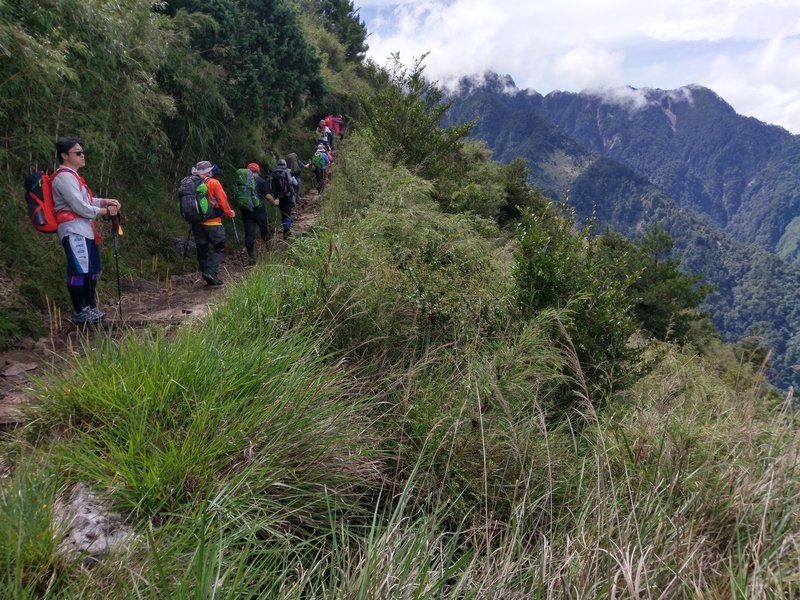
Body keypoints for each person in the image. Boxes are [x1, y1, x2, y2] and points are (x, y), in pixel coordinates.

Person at [51, 136, 121, 323]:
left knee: (91, 269)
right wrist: (106, 211)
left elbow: (85, 202)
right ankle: (80, 311)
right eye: (78, 153)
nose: (83, 156)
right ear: (65, 155)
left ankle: (90, 307)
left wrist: (104, 201)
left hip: (85, 229)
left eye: (83, 152)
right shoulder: (64, 177)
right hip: (73, 230)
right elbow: (78, 206)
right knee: (78, 270)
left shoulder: (73, 176)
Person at [190, 160, 235, 285]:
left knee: (202, 249)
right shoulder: (214, 182)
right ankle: (211, 272)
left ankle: (207, 274)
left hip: (196, 223)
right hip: (213, 222)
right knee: (220, 247)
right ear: (208, 172)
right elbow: (222, 200)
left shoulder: (191, 183)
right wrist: (229, 213)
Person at [236, 162, 278, 264]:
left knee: (249, 234)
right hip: (259, 210)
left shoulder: (242, 182)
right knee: (264, 230)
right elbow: (267, 196)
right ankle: (270, 252)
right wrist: (274, 202)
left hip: (246, 211)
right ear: (258, 170)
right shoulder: (261, 181)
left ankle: (251, 258)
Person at [269, 159, 298, 239]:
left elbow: (270, 187)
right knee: (287, 214)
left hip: (278, 197)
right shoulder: (288, 171)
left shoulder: (273, 172)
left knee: (282, 214)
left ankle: (286, 230)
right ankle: (286, 232)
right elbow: (295, 183)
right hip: (287, 196)